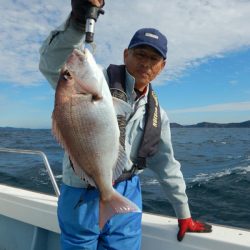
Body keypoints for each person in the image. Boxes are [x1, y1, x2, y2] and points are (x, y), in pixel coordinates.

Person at [39, 0, 212, 249]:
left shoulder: (157, 114)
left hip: (127, 193)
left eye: (154, 58)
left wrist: (183, 213)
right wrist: (79, 21)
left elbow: (167, 165)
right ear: (125, 54)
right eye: (140, 54)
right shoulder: (83, 83)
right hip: (81, 191)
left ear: (162, 67)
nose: (146, 63)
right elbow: (50, 63)